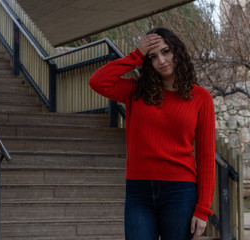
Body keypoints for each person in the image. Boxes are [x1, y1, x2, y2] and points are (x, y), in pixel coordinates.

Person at [89, 27, 215, 240]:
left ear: (176, 51)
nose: (162, 61)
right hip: (138, 192)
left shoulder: (201, 98)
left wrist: (203, 209)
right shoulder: (136, 92)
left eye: (166, 52)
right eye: (153, 57)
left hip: (180, 193)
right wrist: (136, 55)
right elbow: (98, 81)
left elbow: (206, 158)